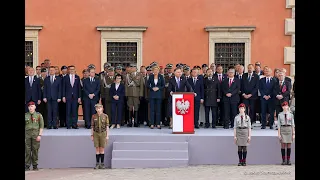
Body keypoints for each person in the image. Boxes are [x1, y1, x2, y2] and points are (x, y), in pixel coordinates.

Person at [25, 101, 44, 171]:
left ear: (35, 107)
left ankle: (35, 165)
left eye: (32, 106)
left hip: (36, 135)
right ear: (28, 107)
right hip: (27, 135)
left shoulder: (39, 115)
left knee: (35, 150)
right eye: (29, 106)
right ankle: (27, 165)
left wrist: (40, 135)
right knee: (27, 150)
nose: (31, 108)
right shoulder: (25, 115)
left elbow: (41, 126)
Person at [90, 104, 110, 169]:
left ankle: (102, 164)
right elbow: (92, 126)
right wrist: (92, 135)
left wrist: (107, 135)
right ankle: (97, 163)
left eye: (99, 108)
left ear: (102, 109)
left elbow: (107, 126)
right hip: (96, 133)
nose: (98, 109)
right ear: (96, 109)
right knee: (97, 149)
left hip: (103, 133)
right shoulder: (93, 116)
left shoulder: (105, 116)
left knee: (102, 149)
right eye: (97, 108)